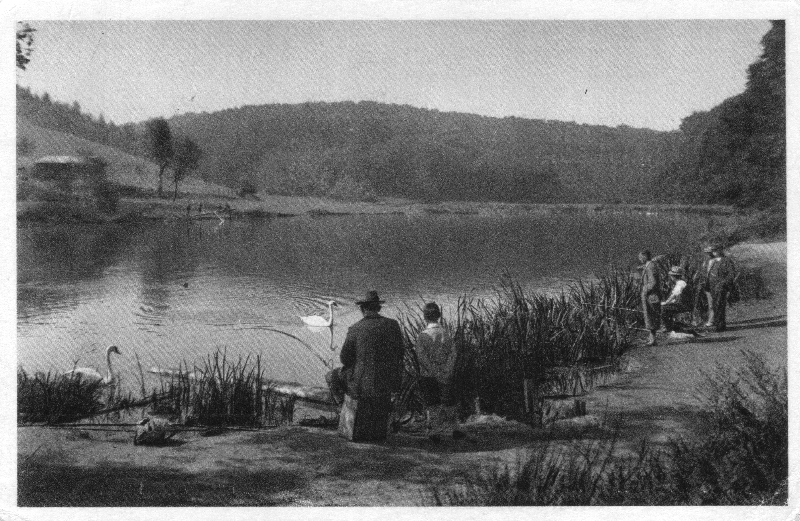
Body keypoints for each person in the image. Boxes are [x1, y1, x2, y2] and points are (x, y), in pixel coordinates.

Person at [325, 291, 404, 442]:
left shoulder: (355, 328)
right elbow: (400, 353)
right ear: (379, 308)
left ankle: (343, 409)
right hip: (387, 383)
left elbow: (344, 359)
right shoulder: (393, 325)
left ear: (362, 309)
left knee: (332, 376)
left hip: (361, 386)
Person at [415, 302, 465, 441]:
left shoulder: (422, 336)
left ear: (424, 317)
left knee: (432, 402)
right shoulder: (446, 334)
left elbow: (421, 357)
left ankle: (434, 431)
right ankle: (455, 428)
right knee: (449, 401)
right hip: (446, 373)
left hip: (429, 375)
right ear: (439, 316)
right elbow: (453, 354)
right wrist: (447, 370)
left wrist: (433, 371)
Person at [697, 244, 736, 332]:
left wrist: (723, 283)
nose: (714, 252)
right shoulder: (710, 261)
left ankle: (720, 326)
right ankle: (717, 324)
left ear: (720, 250)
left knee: (719, 305)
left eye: (715, 250)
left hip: (720, 287)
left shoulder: (726, 260)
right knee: (714, 305)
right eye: (712, 251)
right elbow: (705, 273)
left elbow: (731, 274)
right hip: (710, 286)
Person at [638, 250, 662, 346]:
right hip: (650, 295)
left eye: (640, 257)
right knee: (650, 316)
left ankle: (653, 340)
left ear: (644, 257)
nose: (639, 259)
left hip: (651, 295)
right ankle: (651, 338)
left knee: (651, 315)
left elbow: (653, 282)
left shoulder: (651, 266)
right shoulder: (649, 266)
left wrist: (644, 290)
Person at [660, 266, 689, 332]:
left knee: (663, 308)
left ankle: (667, 327)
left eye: (671, 276)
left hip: (683, 305)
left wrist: (666, 302)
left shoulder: (680, 283)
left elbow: (674, 295)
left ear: (674, 276)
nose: (671, 277)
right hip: (680, 303)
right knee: (666, 308)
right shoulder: (679, 283)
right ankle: (671, 326)